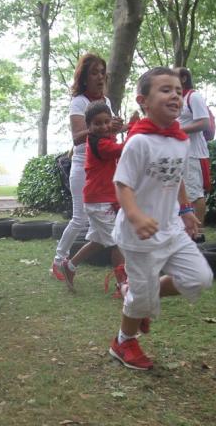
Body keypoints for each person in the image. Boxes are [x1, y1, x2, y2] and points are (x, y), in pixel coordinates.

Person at [109, 67, 213, 370]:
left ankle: (136, 296)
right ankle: (123, 342)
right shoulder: (138, 141)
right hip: (137, 234)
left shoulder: (180, 140)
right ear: (144, 100)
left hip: (171, 229)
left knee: (199, 278)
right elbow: (122, 184)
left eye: (179, 91)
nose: (175, 96)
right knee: (141, 299)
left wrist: (186, 209)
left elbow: (177, 176)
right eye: (165, 90)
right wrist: (136, 216)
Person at [50, 53, 124, 280]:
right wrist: (102, 128)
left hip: (106, 166)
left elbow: (106, 132)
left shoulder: (106, 102)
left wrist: (117, 127)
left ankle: (70, 264)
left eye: (102, 72)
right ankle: (58, 261)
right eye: (94, 73)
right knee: (79, 219)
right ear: (84, 78)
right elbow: (77, 137)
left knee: (100, 232)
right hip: (84, 166)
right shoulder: (79, 102)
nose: (100, 77)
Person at [57, 101, 126, 295]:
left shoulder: (104, 138)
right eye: (97, 123)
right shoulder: (99, 143)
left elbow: (115, 142)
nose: (103, 126)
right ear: (89, 127)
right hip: (99, 200)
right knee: (117, 242)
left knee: (98, 241)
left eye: (106, 122)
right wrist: (138, 133)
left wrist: (127, 127)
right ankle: (122, 285)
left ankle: (69, 266)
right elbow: (120, 150)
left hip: (100, 198)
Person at [175, 67, 210, 242]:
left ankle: (198, 232)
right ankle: (189, 230)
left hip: (193, 154)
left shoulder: (193, 97)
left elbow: (204, 123)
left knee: (195, 193)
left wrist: (178, 129)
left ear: (183, 78)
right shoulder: (178, 100)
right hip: (180, 153)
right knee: (183, 192)